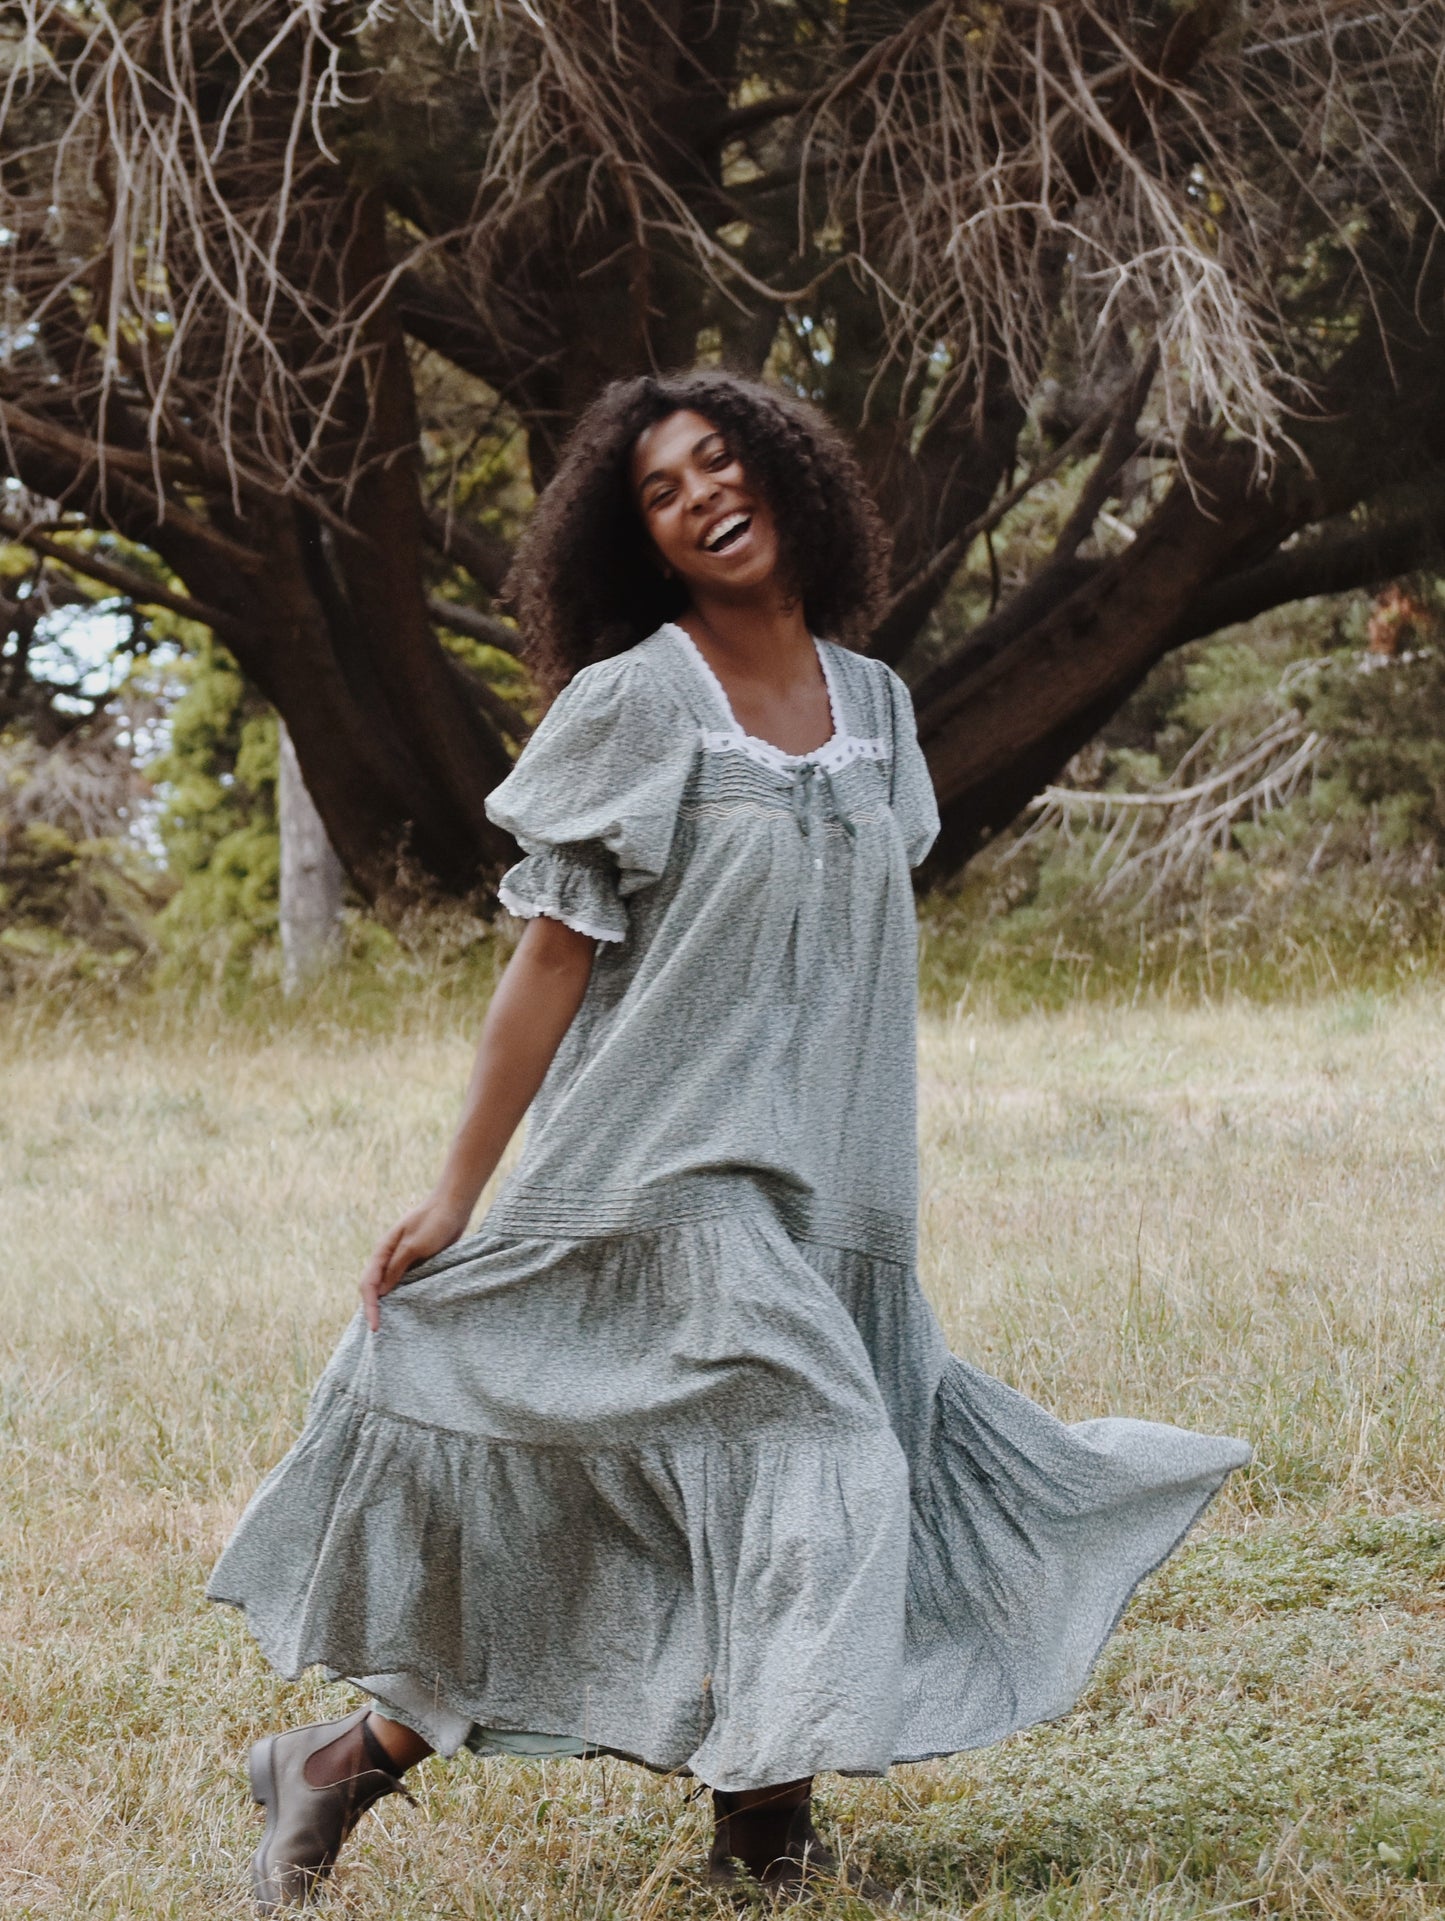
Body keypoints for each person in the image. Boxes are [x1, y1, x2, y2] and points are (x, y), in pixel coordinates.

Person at [209, 370, 1250, 1911]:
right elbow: (547, 962)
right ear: (642, 544)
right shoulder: (638, 698)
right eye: (661, 488)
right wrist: (455, 1190)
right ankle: (762, 1844)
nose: (702, 491)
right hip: (656, 1174)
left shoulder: (879, 708)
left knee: (660, 1515)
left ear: (785, 475)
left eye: (721, 459)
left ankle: (339, 1760)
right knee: (820, 1459)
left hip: (831, 1191)